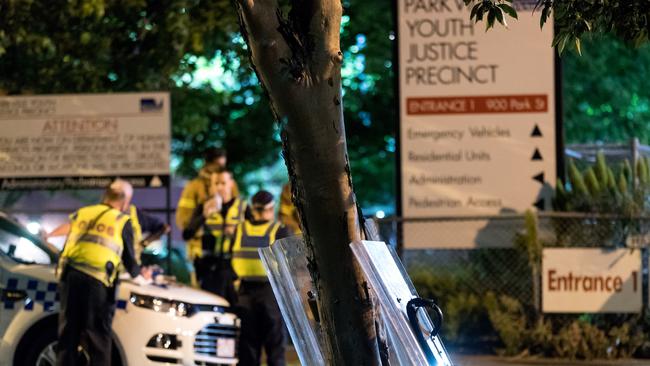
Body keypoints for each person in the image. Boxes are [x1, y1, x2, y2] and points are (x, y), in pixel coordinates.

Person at [56, 180, 150, 366]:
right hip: (97, 283)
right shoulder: (121, 220)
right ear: (124, 201)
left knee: (68, 335)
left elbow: (67, 246)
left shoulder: (82, 214)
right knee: (97, 337)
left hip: (71, 278)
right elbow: (130, 261)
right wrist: (143, 278)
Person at [232, 190, 290, 366]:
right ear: (271, 209)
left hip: (245, 293)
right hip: (269, 291)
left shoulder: (240, 229)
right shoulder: (278, 230)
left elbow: (231, 257)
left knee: (248, 345)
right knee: (274, 346)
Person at [182, 170, 245, 303]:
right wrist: (204, 215)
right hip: (209, 270)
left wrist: (236, 233)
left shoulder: (242, 207)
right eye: (216, 183)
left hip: (233, 271)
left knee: (236, 311)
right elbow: (187, 234)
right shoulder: (203, 207)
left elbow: (252, 239)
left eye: (223, 183)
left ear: (231, 184)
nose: (220, 187)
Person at [176, 148, 240, 264]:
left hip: (228, 252)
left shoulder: (231, 183)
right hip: (199, 251)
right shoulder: (194, 186)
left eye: (223, 165)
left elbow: (237, 210)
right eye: (218, 165)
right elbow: (184, 221)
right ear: (208, 164)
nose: (221, 168)